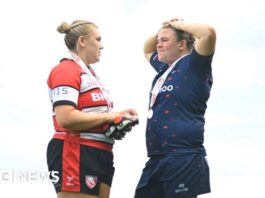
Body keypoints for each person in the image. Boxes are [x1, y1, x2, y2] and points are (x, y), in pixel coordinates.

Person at [46, 19, 138, 198]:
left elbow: (94, 115)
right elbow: (65, 118)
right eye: (98, 39)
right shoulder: (65, 69)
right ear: (82, 41)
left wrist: (117, 117)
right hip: (74, 150)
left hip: (101, 152)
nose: (101, 46)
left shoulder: (90, 74)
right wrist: (110, 117)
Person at [134, 18, 216, 198]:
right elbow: (146, 49)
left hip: (183, 156)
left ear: (182, 44)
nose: (158, 45)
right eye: (158, 41)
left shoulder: (195, 64)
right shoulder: (165, 68)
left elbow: (207, 33)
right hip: (157, 157)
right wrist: (164, 29)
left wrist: (179, 26)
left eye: (164, 41)